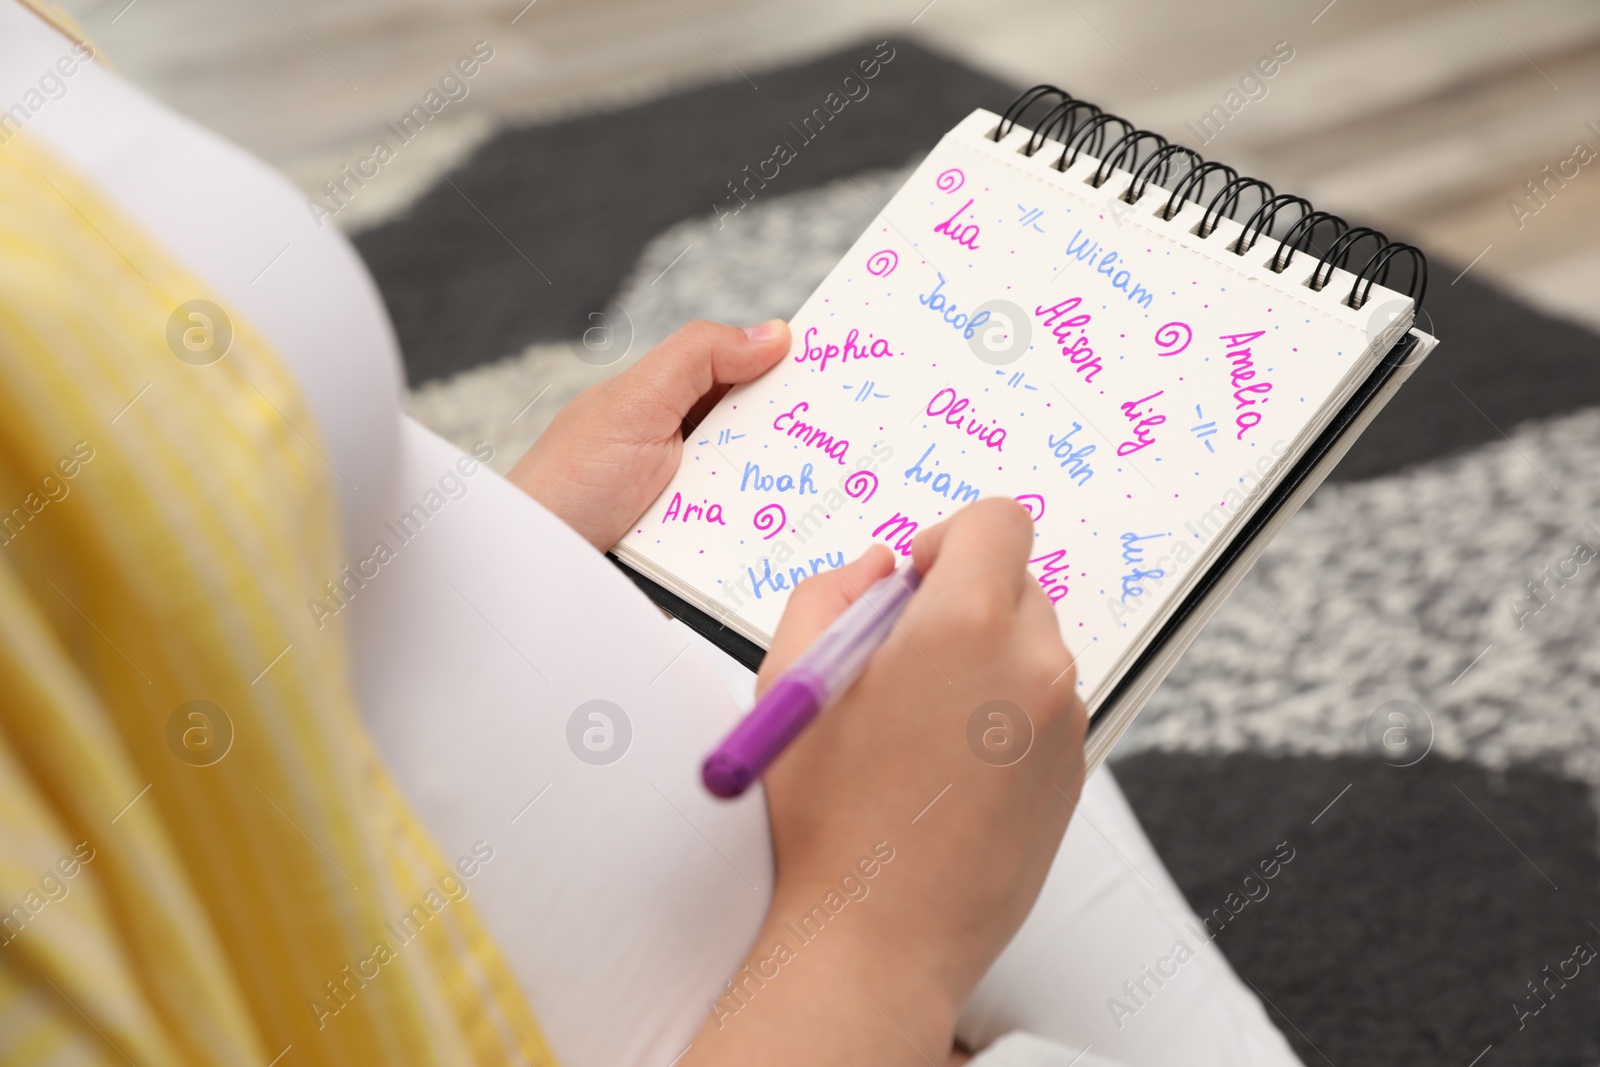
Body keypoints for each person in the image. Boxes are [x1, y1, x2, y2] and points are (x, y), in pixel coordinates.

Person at [0, 3, 1304, 1065]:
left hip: (810, 839)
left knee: (1000, 664)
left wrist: (508, 537)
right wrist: (875, 940)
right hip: (821, 979)